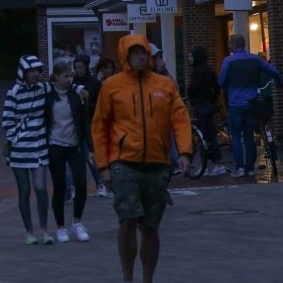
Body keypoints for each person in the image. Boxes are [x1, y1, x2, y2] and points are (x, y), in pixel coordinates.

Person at [92, 34, 191, 283]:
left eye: (143, 52)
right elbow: (100, 127)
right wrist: (103, 167)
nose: (139, 56)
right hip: (124, 163)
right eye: (134, 52)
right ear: (126, 55)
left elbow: (179, 118)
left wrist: (185, 152)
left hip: (157, 164)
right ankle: (128, 278)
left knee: (150, 226)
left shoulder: (164, 85)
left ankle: (148, 279)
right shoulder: (112, 86)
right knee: (127, 220)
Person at [218, 33, 282, 178]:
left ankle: (239, 167)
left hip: (235, 103)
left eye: (229, 44)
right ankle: (250, 168)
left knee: (235, 136)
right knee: (249, 135)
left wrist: (225, 87)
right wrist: (279, 82)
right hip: (252, 102)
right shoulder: (255, 59)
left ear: (234, 45)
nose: (229, 47)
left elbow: (221, 81)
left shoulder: (228, 61)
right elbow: (273, 71)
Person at [3, 54, 51, 244]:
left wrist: (80, 88)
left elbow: (64, 88)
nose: (35, 74)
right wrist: (15, 138)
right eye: (31, 71)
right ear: (23, 72)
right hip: (20, 150)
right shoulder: (13, 92)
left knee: (41, 188)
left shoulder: (45, 88)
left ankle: (45, 230)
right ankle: (29, 232)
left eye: (37, 70)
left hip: (39, 146)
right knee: (24, 190)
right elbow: (6, 119)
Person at [44, 59, 91, 243]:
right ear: (56, 77)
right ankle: (61, 227)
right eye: (65, 76)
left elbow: (84, 121)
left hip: (74, 146)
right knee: (60, 187)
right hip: (55, 145)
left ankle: (77, 222)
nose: (69, 79)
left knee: (81, 184)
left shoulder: (76, 94)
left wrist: (90, 146)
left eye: (71, 75)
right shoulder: (47, 96)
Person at [187, 47, 227, 176]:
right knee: (211, 135)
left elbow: (192, 89)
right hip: (209, 106)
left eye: (191, 56)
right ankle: (215, 164)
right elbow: (217, 88)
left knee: (202, 136)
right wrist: (213, 99)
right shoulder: (209, 70)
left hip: (200, 107)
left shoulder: (197, 73)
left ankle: (206, 166)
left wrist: (192, 98)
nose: (189, 59)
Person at [72, 54, 106, 195]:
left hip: (90, 123)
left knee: (90, 155)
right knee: (75, 157)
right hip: (74, 124)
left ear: (86, 67)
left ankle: (99, 182)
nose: (79, 70)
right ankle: (76, 186)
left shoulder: (94, 84)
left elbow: (100, 103)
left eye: (81, 67)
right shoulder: (71, 82)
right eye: (76, 67)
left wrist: (87, 104)